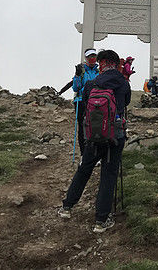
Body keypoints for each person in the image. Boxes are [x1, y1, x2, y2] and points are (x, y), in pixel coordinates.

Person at [58, 49, 131, 233]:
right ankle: (101, 220)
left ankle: (67, 206)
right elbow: (126, 103)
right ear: (116, 63)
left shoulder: (91, 84)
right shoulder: (122, 83)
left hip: (92, 135)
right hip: (115, 135)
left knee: (84, 169)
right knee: (109, 174)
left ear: (102, 63)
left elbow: (83, 105)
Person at [71, 49, 100, 157]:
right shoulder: (81, 70)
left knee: (96, 126)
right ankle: (84, 154)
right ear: (85, 58)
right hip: (81, 100)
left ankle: (95, 152)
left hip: (96, 101)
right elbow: (76, 88)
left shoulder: (99, 71)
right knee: (83, 127)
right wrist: (77, 76)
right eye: (89, 56)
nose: (92, 58)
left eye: (94, 56)